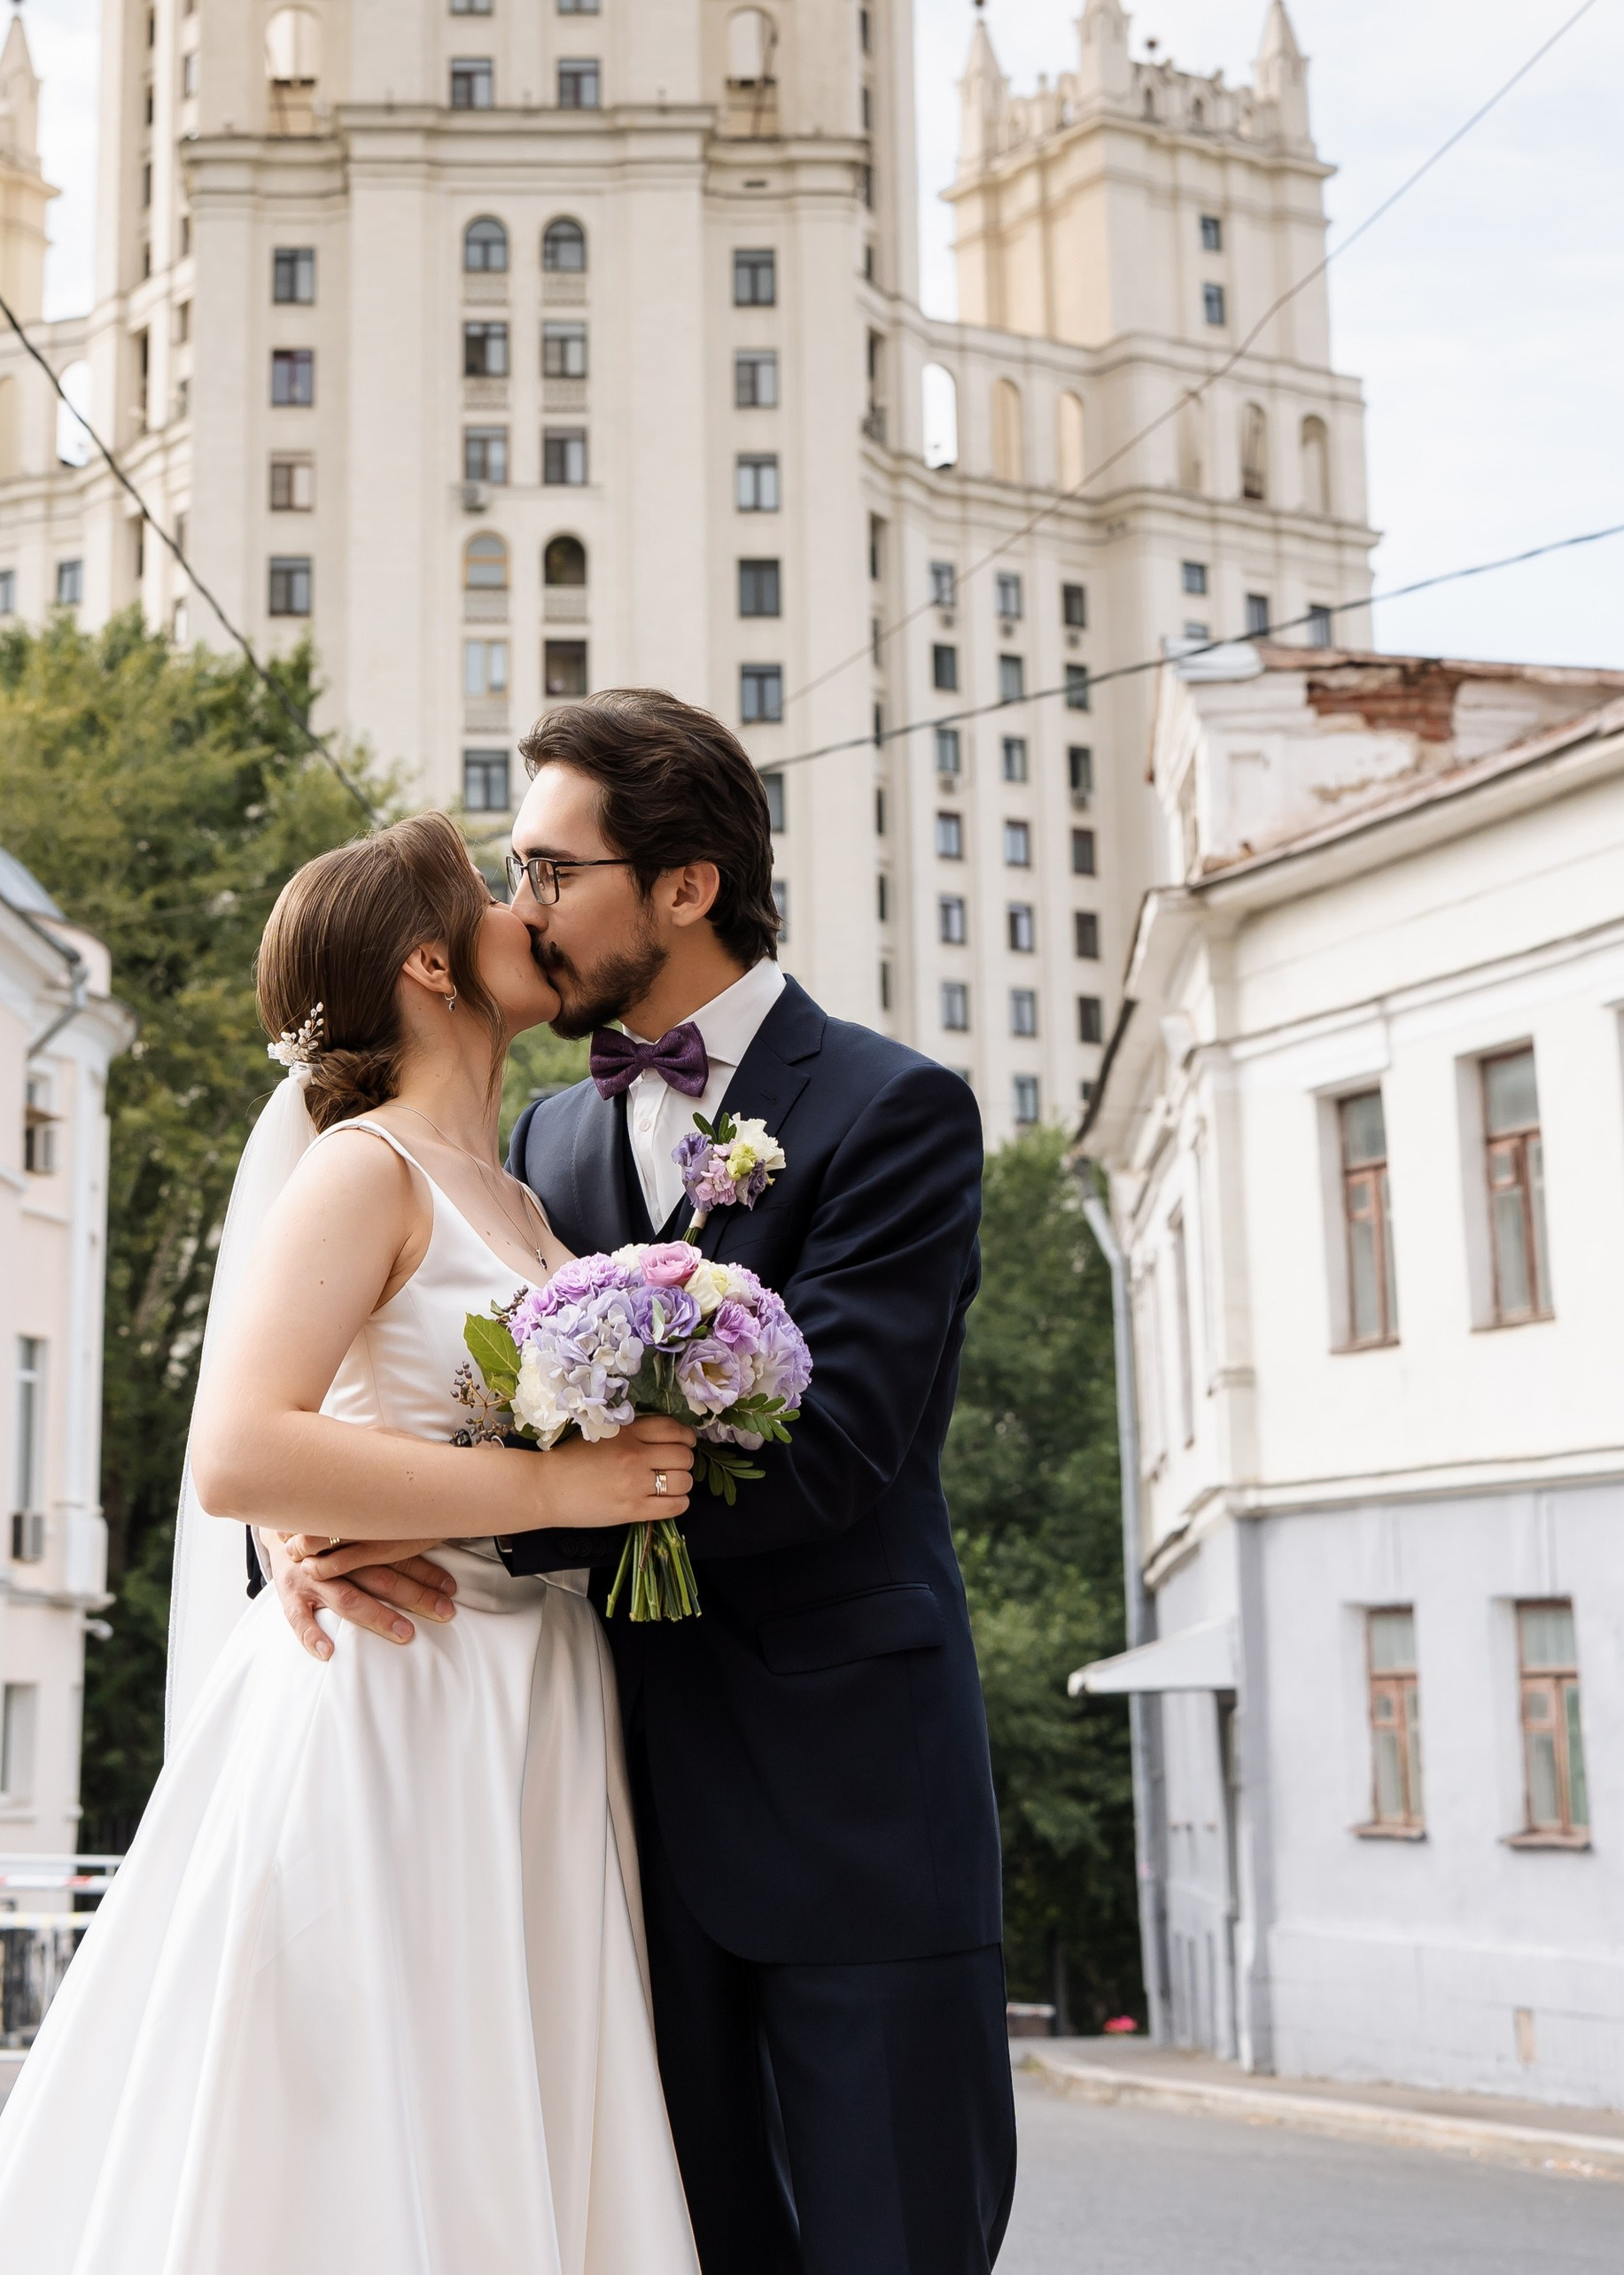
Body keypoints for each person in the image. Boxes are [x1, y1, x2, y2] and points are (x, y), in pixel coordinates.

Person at [265, 692, 1015, 2275]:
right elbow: (411, 1374)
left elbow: (833, 1457)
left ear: (685, 885)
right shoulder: (537, 1142)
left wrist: (445, 1513)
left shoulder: (895, 1112)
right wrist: (311, 1530)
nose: (519, 906)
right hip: (589, 1826)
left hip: (845, 1814)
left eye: (551, 869)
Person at [0, 811, 703, 2275]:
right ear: (428, 960)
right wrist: (558, 1493)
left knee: (503, 2107)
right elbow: (240, 1448)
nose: (518, 909)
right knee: (369, 2126)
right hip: (397, 1697)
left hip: (529, 1703)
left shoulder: (525, 1199)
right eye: (489, 895)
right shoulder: (364, 1169)